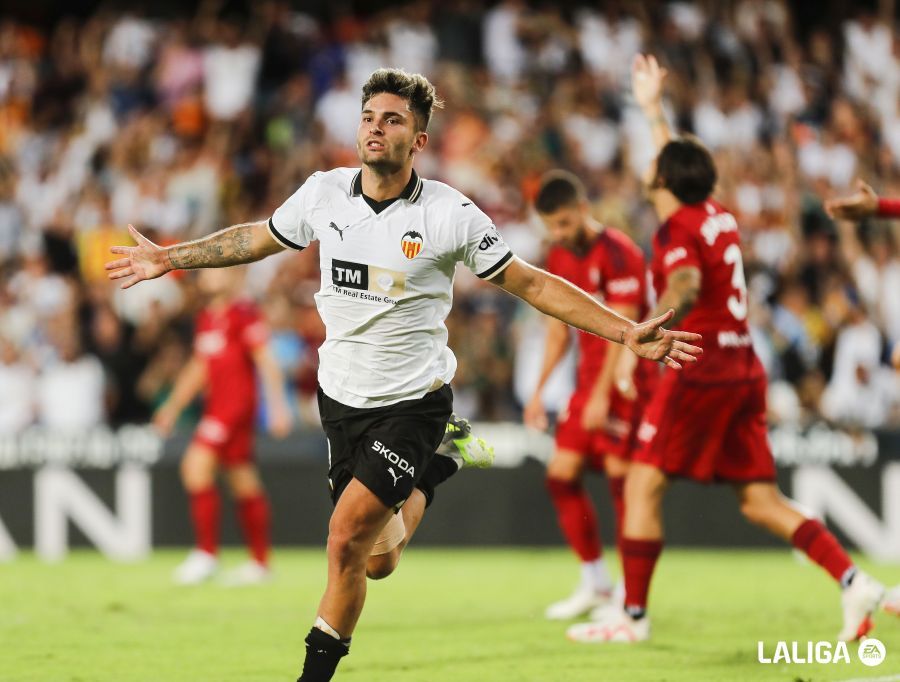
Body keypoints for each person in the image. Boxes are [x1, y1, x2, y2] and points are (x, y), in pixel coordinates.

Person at [106, 68, 702, 681]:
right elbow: (255, 240)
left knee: (342, 540)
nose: (375, 128)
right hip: (340, 399)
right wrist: (168, 258)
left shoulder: (450, 214)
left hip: (414, 400)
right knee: (378, 559)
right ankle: (443, 461)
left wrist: (625, 332)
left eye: (392, 120)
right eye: (369, 117)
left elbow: (531, 282)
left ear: (418, 139)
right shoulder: (324, 194)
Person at [566, 54, 899, 645]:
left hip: (700, 367)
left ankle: (632, 618)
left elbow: (686, 282)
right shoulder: (713, 212)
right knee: (760, 500)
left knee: (644, 484)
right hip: (745, 366)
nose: (649, 169)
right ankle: (852, 581)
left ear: (662, 182)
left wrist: (643, 332)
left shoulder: (676, 231)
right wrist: (651, 109)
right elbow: (673, 161)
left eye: (655, 168)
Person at [524, 170, 656, 620]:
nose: (559, 234)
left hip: (624, 383)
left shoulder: (620, 254)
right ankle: (595, 581)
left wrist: (602, 396)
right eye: (552, 227)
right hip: (586, 386)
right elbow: (558, 332)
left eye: (564, 223)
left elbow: (628, 335)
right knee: (560, 476)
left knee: (623, 482)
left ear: (583, 209)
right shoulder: (559, 257)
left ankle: (627, 591)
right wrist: (538, 392)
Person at [153, 267, 293, 586]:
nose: (210, 277)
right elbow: (199, 368)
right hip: (218, 408)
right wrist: (172, 407)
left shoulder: (243, 314)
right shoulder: (206, 318)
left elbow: (265, 360)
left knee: (194, 467)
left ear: (232, 277)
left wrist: (278, 407)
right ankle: (260, 563)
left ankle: (206, 555)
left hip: (234, 409)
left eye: (218, 272)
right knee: (243, 480)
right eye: (207, 273)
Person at [826, 180, 900, 370]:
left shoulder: (895, 268)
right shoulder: (865, 268)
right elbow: (849, 251)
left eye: (883, 244)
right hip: (873, 342)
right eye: (876, 244)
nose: (879, 248)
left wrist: (882, 206)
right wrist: (847, 222)